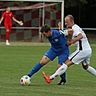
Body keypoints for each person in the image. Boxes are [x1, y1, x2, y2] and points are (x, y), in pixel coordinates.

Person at [42, 15, 96, 84]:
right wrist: (60, 28)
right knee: (86, 66)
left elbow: (80, 36)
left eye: (67, 22)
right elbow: (63, 33)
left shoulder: (75, 28)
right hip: (88, 50)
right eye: (65, 22)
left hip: (82, 51)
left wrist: (72, 41)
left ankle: (50, 78)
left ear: (71, 21)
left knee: (65, 63)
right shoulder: (73, 28)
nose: (65, 24)